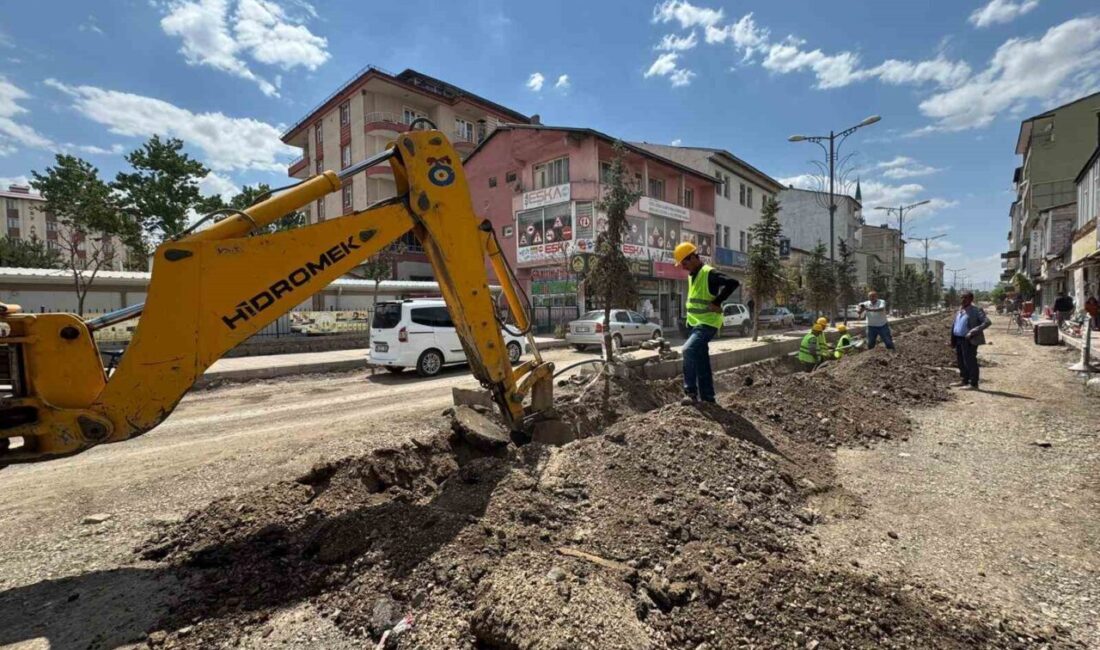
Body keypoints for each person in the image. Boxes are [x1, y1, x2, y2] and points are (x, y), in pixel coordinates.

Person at [674, 241, 740, 404]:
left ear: (692, 258)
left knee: (688, 350)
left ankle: (690, 393)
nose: (683, 267)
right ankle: (708, 398)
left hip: (707, 323)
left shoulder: (709, 273)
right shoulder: (692, 276)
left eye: (684, 263)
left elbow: (733, 283)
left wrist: (717, 302)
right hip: (695, 324)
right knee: (701, 361)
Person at [950, 290, 991, 390]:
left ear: (971, 299)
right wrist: (952, 339)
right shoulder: (960, 310)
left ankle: (973, 383)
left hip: (969, 340)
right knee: (961, 361)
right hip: (958, 339)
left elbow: (987, 322)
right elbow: (955, 324)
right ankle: (964, 380)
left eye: (965, 298)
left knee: (970, 361)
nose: (963, 300)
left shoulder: (976, 310)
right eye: (962, 297)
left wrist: (973, 331)